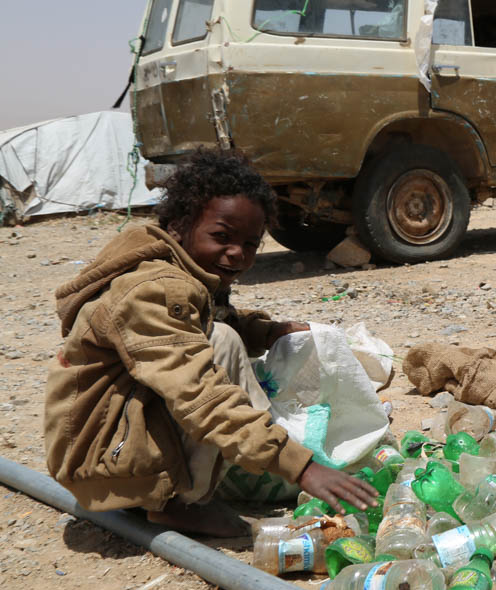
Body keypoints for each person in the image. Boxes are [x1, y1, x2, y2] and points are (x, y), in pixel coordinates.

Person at [43, 149, 378, 537]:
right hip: (98, 459)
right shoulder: (152, 289)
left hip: (112, 446)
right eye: (222, 237)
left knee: (226, 335)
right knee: (222, 345)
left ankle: (172, 486)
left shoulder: (180, 269)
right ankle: (180, 503)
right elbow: (200, 393)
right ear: (179, 226)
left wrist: (268, 333)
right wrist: (300, 466)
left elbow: (202, 320)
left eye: (250, 244)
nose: (237, 254)